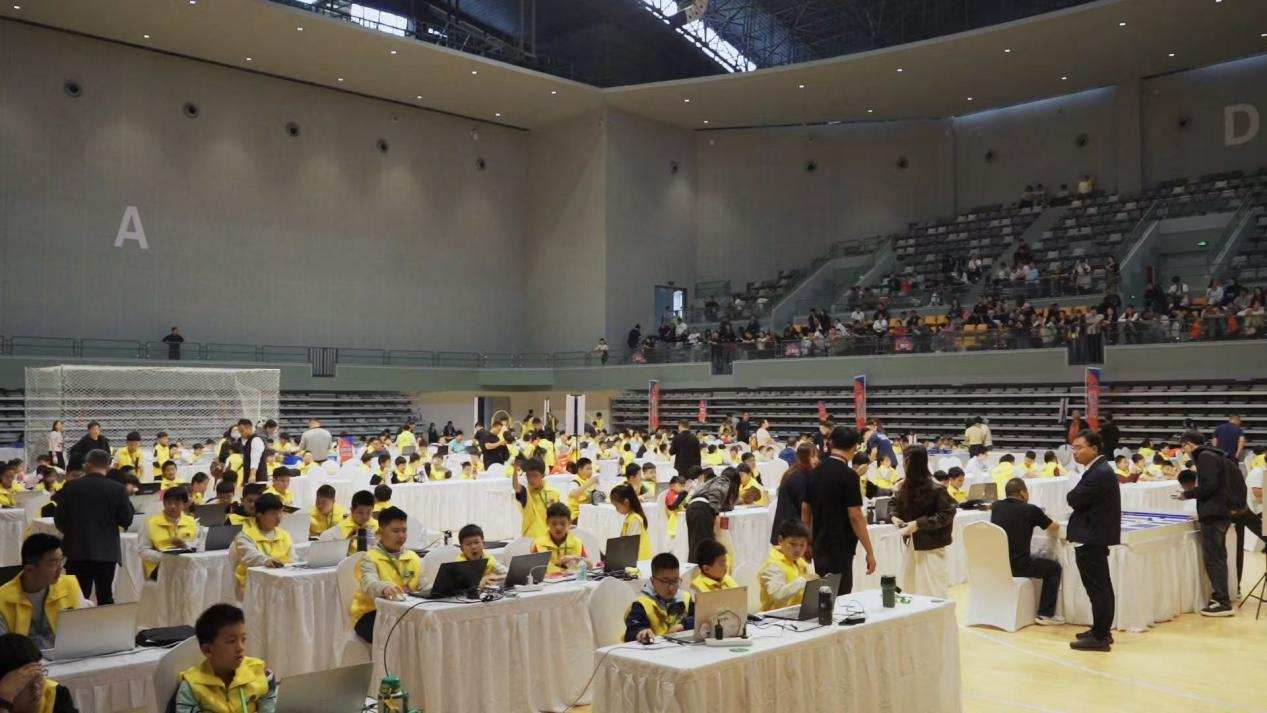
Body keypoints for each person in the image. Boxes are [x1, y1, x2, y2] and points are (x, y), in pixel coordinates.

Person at [802, 427, 876, 593]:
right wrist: (869, 551)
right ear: (854, 447)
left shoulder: (814, 472)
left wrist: (807, 540)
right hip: (840, 544)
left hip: (819, 542)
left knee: (824, 592)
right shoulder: (849, 475)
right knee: (841, 593)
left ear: (831, 443)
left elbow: (805, 508)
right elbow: (855, 515)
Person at [53, 449, 132, 605]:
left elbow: (59, 520)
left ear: (86, 465)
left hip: (77, 550)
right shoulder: (118, 489)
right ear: (108, 466)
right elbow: (126, 519)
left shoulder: (70, 487)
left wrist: (72, 531)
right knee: (105, 595)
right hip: (106, 551)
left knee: (77, 598)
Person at [1065, 430, 1119, 651]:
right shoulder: (1098, 470)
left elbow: (1074, 498)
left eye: (1079, 447)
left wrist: (1073, 495)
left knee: (1098, 589)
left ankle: (1100, 636)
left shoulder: (1099, 473)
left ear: (1094, 449)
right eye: (1073, 448)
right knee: (1098, 588)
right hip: (1093, 534)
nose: (1075, 452)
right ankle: (1100, 630)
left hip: (1092, 536)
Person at [1174, 431, 1238, 616]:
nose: (1183, 451)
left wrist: (1187, 494)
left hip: (1214, 513)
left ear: (1189, 444)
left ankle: (1222, 602)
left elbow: (1209, 485)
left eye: (1183, 446)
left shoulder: (1205, 457)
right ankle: (1221, 598)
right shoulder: (1213, 454)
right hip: (1219, 511)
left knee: (1215, 558)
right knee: (1217, 557)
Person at [176, 604, 277, 713]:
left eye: (243, 639)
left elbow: (269, 701)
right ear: (207, 650)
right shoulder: (192, 686)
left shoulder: (259, 672)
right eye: (231, 641)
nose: (240, 648)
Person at [990, 478, 1065, 624]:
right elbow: (1054, 527)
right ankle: (1045, 614)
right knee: (1054, 568)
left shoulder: (996, 506)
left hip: (999, 564)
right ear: (1022, 492)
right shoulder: (1030, 510)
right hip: (1019, 565)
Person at [890, 446, 958, 597]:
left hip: (931, 546)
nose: (903, 464)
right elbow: (893, 504)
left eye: (905, 460)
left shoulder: (936, 489)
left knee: (933, 590)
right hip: (912, 544)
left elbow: (947, 513)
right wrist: (894, 516)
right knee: (910, 587)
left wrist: (919, 524)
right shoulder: (904, 486)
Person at [0, 534, 84, 648]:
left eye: (61, 561)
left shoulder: (69, 585)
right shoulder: (3, 599)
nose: (60, 569)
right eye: (53, 563)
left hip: (67, 655)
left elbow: (84, 631)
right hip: (23, 658)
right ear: (29, 570)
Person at [623, 552, 694, 643]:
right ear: (652, 581)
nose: (671, 587)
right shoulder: (641, 605)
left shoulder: (685, 598)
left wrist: (684, 625)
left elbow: (699, 619)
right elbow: (631, 632)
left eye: (675, 581)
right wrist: (641, 632)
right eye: (665, 581)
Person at [0, 633, 79, 713]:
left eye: (39, 675)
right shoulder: (3, 696)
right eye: (26, 680)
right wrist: (3, 700)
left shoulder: (56, 694)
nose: (37, 688)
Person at [232, 494, 293, 591]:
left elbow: (292, 559)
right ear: (259, 515)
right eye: (273, 513)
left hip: (282, 583)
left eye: (280, 512)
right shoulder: (245, 536)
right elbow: (251, 556)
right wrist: (266, 561)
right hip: (255, 586)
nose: (279, 517)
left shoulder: (284, 535)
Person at [141, 487, 197, 580]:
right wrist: (166, 558)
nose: (172, 506)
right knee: (178, 575)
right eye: (169, 503)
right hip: (160, 565)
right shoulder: (150, 523)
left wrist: (185, 545)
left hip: (186, 563)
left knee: (197, 573)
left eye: (177, 503)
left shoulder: (191, 522)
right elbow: (143, 551)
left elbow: (198, 546)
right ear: (164, 503)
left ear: (184, 504)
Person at [684, 467, 737, 564]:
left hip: (694, 508)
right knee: (703, 547)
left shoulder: (713, 481)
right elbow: (714, 495)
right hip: (701, 511)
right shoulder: (724, 480)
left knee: (696, 545)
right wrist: (716, 513)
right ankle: (700, 570)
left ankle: (697, 569)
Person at [759, 519, 811, 611]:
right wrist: (803, 580)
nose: (798, 549)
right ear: (780, 540)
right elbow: (778, 596)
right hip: (774, 616)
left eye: (802, 545)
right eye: (793, 544)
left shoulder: (800, 562)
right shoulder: (772, 565)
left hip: (799, 611)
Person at [530, 503, 589, 574]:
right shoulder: (538, 544)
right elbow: (532, 571)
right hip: (548, 580)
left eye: (563, 523)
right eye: (554, 523)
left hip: (572, 580)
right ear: (547, 522)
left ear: (569, 522)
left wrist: (575, 558)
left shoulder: (577, 542)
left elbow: (590, 566)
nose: (558, 528)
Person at [511, 458, 561, 540]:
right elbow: (516, 487)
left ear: (543, 475)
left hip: (550, 539)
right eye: (528, 476)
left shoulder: (553, 493)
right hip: (531, 539)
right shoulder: (526, 494)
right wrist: (515, 470)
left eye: (534, 475)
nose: (531, 479)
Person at [611, 484, 651, 561]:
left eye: (617, 506)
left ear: (626, 502)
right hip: (632, 559)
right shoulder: (630, 517)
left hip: (640, 561)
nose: (616, 509)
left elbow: (631, 544)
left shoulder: (635, 519)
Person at [237, 419, 268, 485]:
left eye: (242, 431)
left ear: (249, 428)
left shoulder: (256, 440)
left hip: (257, 479)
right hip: (249, 478)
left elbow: (255, 459)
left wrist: (252, 475)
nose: (241, 434)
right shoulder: (247, 442)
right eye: (239, 432)